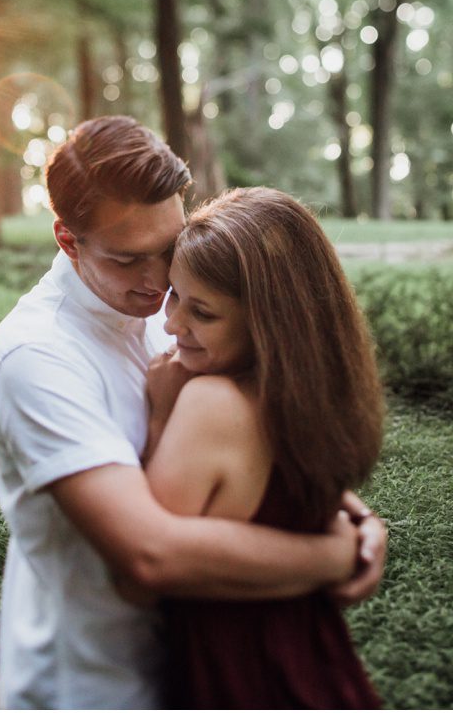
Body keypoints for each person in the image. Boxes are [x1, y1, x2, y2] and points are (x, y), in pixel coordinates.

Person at [0, 116, 387, 709]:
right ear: (68, 241)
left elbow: (265, 422)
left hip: (202, 661)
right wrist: (332, 555)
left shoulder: (184, 306)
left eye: (169, 248)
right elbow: (148, 557)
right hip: (95, 678)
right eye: (127, 259)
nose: (156, 284)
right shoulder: (39, 357)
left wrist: (353, 515)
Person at [142, 186, 385, 708]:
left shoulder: (212, 405)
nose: (171, 323)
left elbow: (144, 570)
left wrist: (161, 416)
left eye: (202, 313)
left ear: (270, 324)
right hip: (314, 651)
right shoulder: (322, 397)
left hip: (238, 666)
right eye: (173, 294)